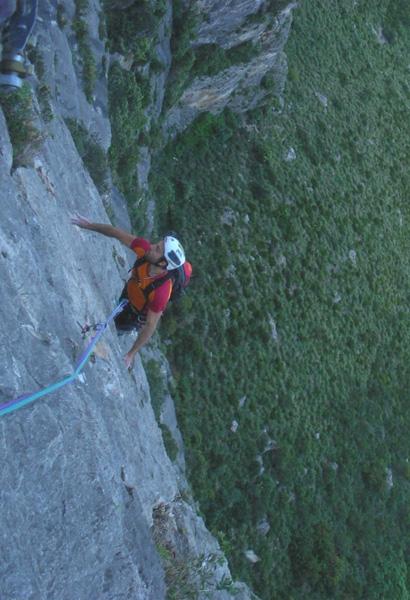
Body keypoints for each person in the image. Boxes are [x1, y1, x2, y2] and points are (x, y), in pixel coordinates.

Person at [71, 213, 186, 369]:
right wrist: (90, 225)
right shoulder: (144, 251)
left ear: (163, 263)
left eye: (157, 249)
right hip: (129, 293)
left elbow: (150, 327)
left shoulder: (161, 293)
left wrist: (131, 353)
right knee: (118, 307)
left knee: (114, 327)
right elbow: (118, 234)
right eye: (156, 244)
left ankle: (112, 334)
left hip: (134, 315)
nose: (151, 246)